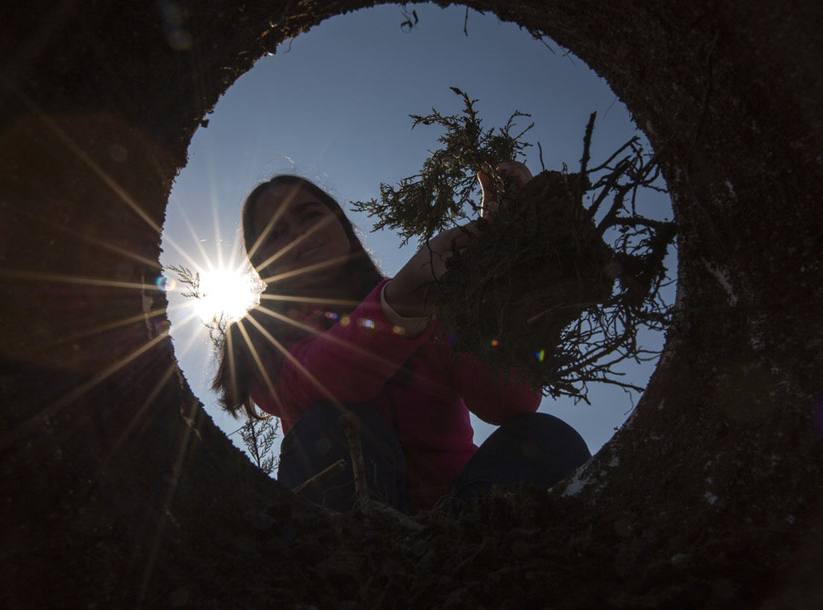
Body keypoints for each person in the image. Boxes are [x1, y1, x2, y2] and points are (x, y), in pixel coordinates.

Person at [213, 164, 591, 513]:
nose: (298, 234)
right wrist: (400, 306)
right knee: (333, 425)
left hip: (461, 516)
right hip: (351, 531)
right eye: (275, 232)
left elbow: (509, 402)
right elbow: (319, 379)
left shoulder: (430, 301)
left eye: (309, 215)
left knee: (547, 438)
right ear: (260, 262)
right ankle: (349, 571)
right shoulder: (257, 339)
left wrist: (506, 273)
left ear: (342, 226)